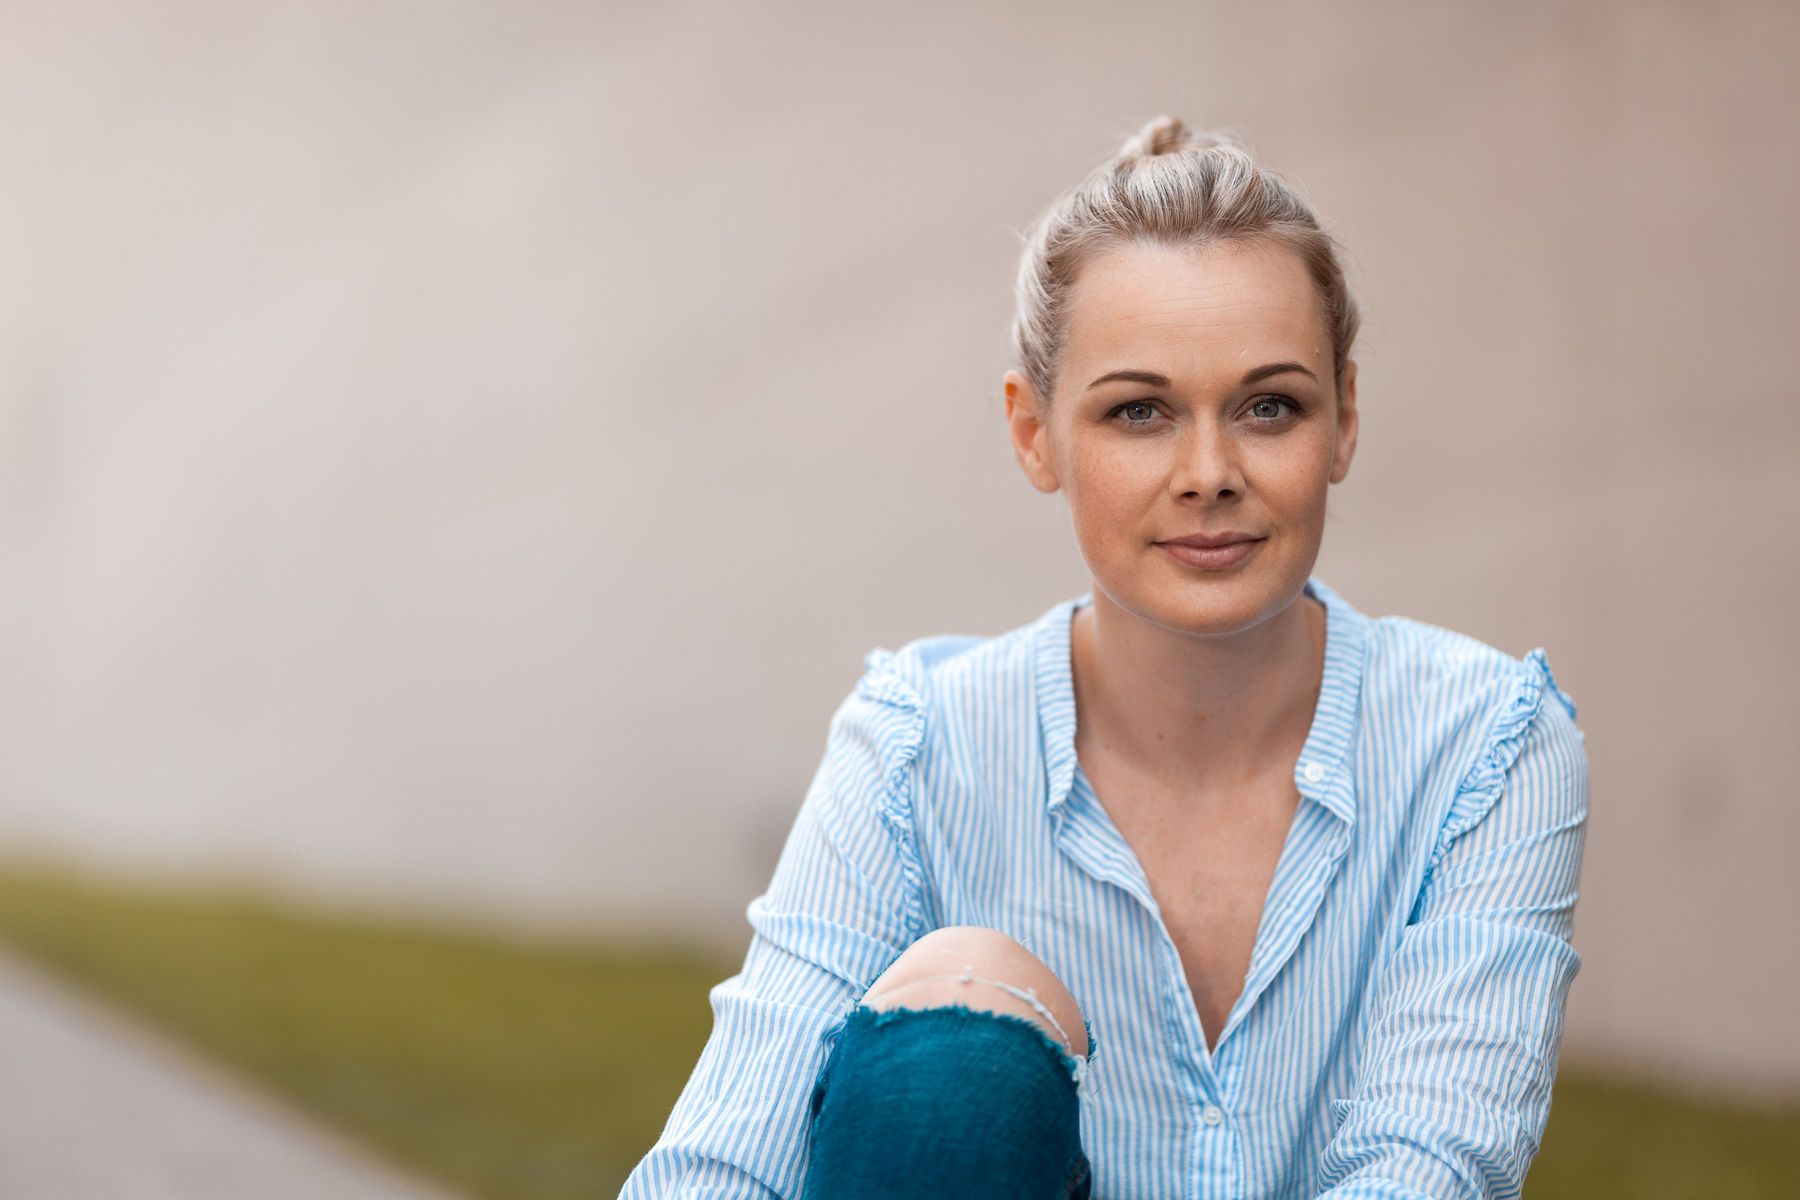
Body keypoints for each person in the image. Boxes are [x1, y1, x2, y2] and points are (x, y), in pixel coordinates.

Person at [618, 114, 1589, 1200]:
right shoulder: (917, 748)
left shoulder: (1488, 743)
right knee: (960, 1037)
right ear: (1034, 432)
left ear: (1345, 421)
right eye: (1139, 412)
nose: (1209, 471)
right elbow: (721, 1164)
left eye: (1270, 406)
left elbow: (1432, 1168)